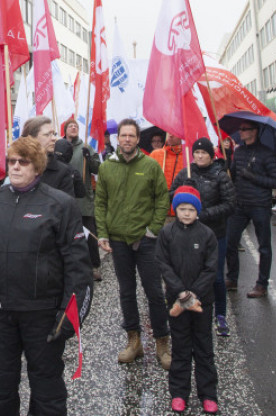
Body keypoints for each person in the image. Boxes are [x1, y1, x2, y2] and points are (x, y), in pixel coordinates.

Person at [0, 136, 93, 416]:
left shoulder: (60, 204)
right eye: (11, 161)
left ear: (37, 167)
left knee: (47, 390)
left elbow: (78, 266)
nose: (15, 167)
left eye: (23, 162)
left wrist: (70, 316)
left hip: (43, 314)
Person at [95, 118, 172, 369]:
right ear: (118, 139)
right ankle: (134, 341)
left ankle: (162, 342)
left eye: (132, 136)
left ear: (138, 139)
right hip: (118, 241)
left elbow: (162, 199)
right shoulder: (107, 167)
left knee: (154, 294)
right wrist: (103, 233)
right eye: (123, 136)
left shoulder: (150, 166)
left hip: (146, 240)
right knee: (126, 293)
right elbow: (101, 202)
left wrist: (153, 230)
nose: (127, 139)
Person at [156, 186, 219, 414]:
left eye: (191, 209)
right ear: (175, 209)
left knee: (204, 347)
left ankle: (208, 394)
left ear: (198, 211)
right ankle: (179, 393)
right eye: (182, 208)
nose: (186, 213)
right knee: (181, 347)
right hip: (177, 299)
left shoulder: (207, 235)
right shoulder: (167, 233)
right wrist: (181, 293)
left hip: (202, 300)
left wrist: (194, 294)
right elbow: (163, 264)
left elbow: (211, 268)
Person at [170, 137, 235, 337]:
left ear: (211, 155)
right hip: (188, 235)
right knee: (188, 274)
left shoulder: (220, 175)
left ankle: (220, 314)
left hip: (215, 234)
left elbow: (230, 204)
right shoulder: (186, 172)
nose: (199, 156)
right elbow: (171, 195)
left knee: (215, 276)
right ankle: (189, 307)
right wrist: (183, 190)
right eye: (196, 153)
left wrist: (204, 214)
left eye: (203, 153)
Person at [225, 119, 276, 299]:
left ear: (254, 131)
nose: (240, 132)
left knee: (264, 246)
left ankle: (262, 284)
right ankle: (232, 278)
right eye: (240, 129)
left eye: (244, 129)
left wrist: (253, 177)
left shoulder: (267, 154)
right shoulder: (239, 151)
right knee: (229, 242)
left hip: (260, 205)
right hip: (239, 204)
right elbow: (233, 174)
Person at [63, 118, 102, 281]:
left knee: (90, 234)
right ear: (64, 130)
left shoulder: (86, 147)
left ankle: (94, 266)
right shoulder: (60, 147)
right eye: (70, 126)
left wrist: (90, 158)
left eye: (76, 126)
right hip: (65, 197)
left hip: (84, 199)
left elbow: (97, 169)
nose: (73, 127)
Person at [21, 116, 74, 196]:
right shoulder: (13, 165)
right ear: (31, 138)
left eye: (54, 134)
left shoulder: (62, 171)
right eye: (47, 135)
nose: (54, 138)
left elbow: (67, 206)